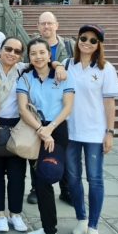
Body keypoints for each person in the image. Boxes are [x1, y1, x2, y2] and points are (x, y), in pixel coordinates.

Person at [64, 25, 118, 234]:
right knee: (73, 178)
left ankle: (94, 227)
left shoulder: (106, 69)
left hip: (95, 132)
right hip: (70, 130)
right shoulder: (69, 65)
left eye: (92, 40)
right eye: (83, 38)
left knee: (95, 179)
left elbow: (109, 103)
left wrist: (110, 132)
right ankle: (81, 219)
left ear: (99, 45)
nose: (86, 43)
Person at [18, 38, 74, 234]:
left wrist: (50, 129)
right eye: (33, 53)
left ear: (50, 55)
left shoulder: (62, 76)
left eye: (42, 52)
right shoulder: (25, 79)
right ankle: (49, 229)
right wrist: (41, 130)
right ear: (29, 57)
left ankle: (58, 227)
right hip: (35, 130)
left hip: (57, 130)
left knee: (49, 172)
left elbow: (68, 107)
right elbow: (23, 109)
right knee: (39, 182)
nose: (38, 57)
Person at [26, 11, 75, 205]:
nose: (46, 27)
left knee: (63, 151)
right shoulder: (33, 45)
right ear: (38, 27)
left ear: (57, 25)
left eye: (49, 23)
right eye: (43, 24)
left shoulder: (68, 46)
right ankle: (36, 188)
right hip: (38, 107)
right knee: (36, 152)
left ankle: (66, 189)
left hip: (62, 107)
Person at [0, 37, 29, 234]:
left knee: (17, 174)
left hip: (17, 128)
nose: (12, 53)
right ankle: (0, 214)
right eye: (8, 49)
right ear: (0, 49)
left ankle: (16, 213)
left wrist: (57, 65)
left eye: (17, 51)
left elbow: (46, 63)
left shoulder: (23, 70)